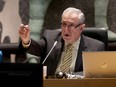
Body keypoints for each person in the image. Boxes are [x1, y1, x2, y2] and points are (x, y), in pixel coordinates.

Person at [18, 7, 105, 76]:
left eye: (71, 25)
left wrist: (69, 76)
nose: (66, 30)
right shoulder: (51, 39)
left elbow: (95, 73)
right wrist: (26, 40)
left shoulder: (95, 47)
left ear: (81, 28)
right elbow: (36, 47)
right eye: (64, 24)